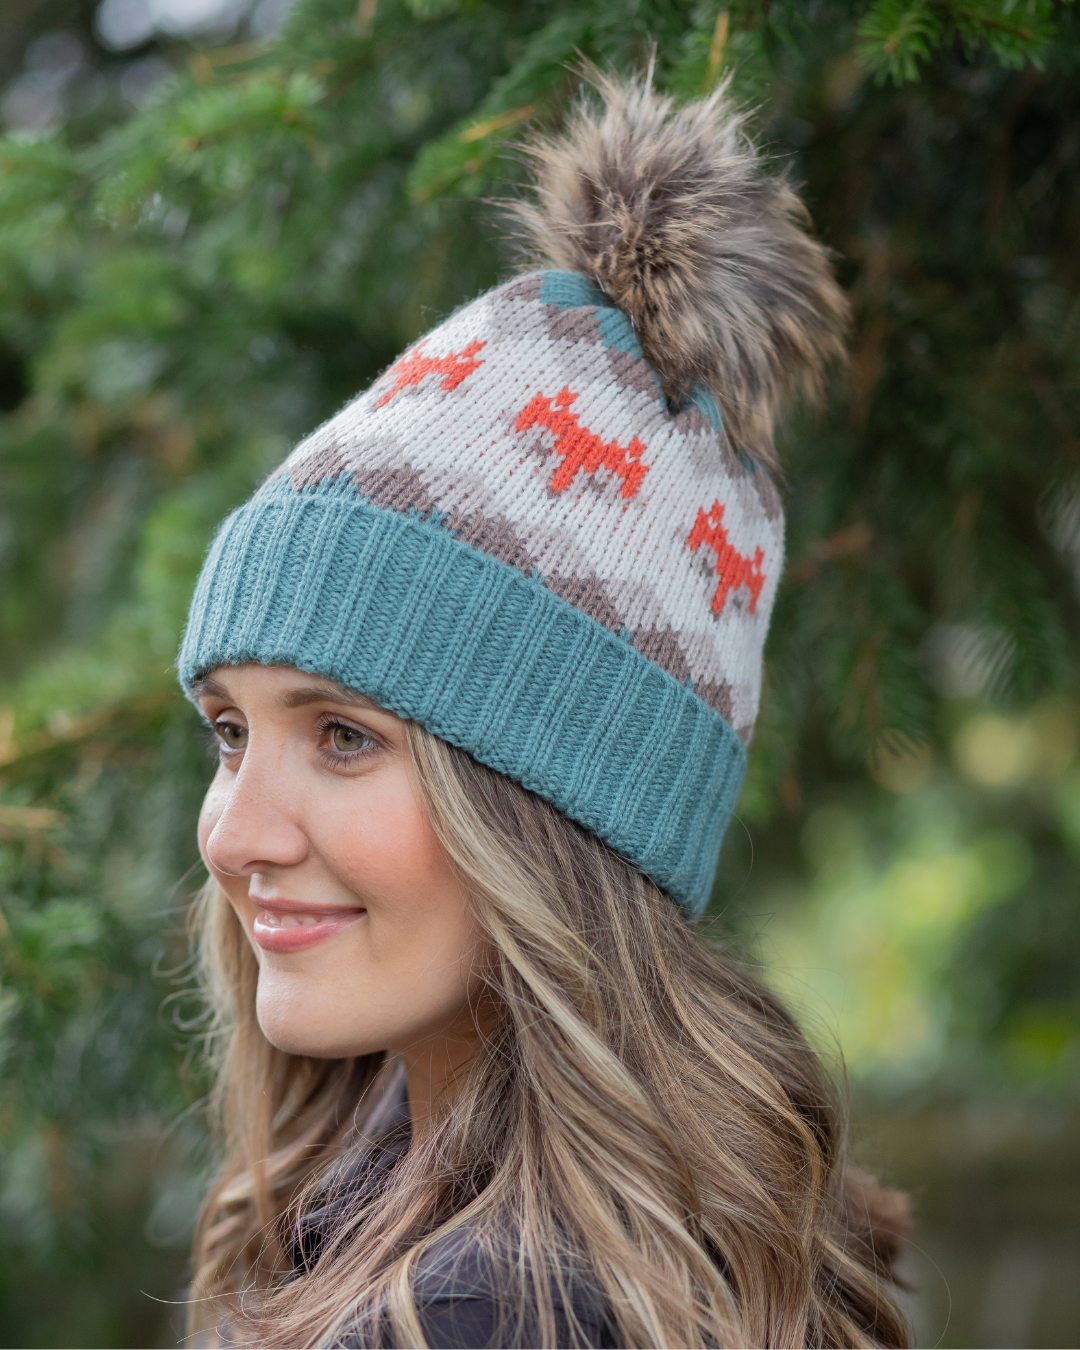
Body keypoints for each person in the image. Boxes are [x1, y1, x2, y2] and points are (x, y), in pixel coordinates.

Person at [180, 70, 911, 1349]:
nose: (236, 834)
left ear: (560, 812)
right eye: (230, 734)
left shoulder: (475, 1315)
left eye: (344, 735)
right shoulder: (664, 1251)